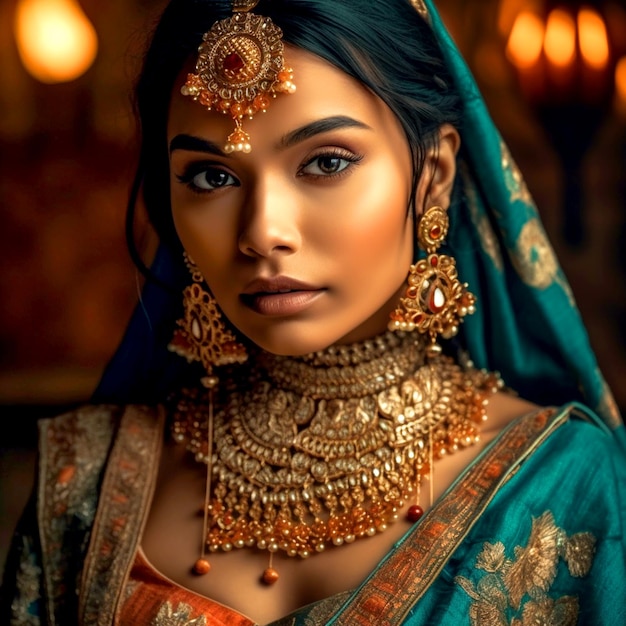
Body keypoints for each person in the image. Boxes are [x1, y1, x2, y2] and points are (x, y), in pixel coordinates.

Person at [1, 0, 625, 623]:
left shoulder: (564, 483)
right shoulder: (83, 478)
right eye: (211, 177)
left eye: (326, 162)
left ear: (433, 174)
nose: (263, 232)